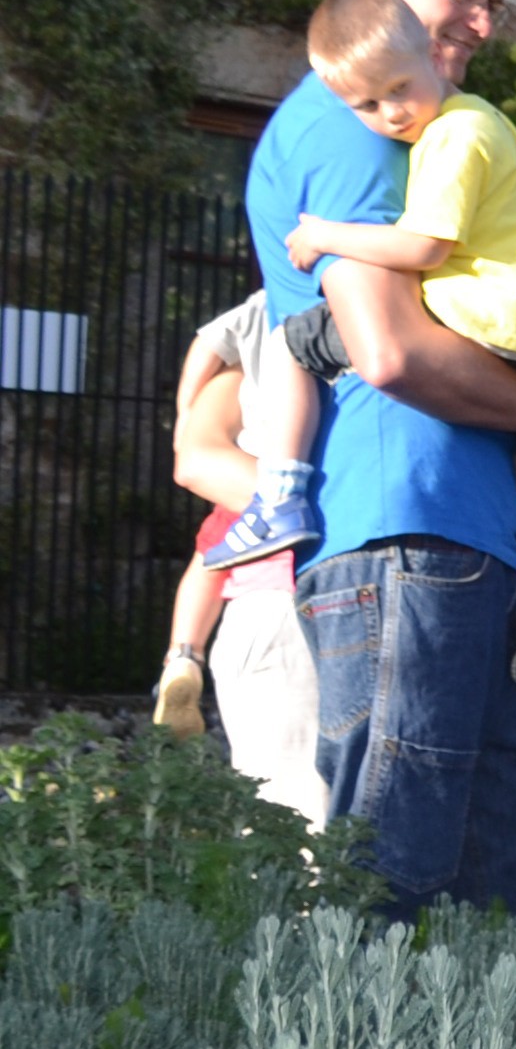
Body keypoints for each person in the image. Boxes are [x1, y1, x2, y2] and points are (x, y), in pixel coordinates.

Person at [242, 0, 516, 912]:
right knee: (394, 892)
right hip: (403, 535)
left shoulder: (423, 135)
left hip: (459, 540)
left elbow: (485, 315)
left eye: (495, 3)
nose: (482, 22)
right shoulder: (354, 127)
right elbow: (392, 350)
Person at [227, 0, 516, 687]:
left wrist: (326, 235)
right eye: (366, 104)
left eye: (396, 90)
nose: (388, 114)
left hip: (481, 335)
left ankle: (282, 486)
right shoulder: (458, 129)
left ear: (429, 56)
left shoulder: (454, 132)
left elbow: (410, 284)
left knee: (308, 340)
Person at [151, 293, 327, 817]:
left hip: (254, 552)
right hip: (309, 569)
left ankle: (182, 657)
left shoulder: (252, 346)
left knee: (207, 566)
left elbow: (208, 346)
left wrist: (186, 406)